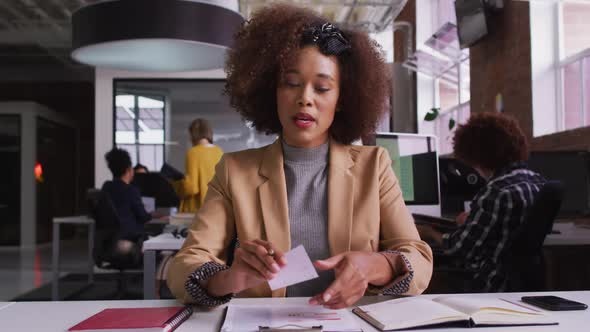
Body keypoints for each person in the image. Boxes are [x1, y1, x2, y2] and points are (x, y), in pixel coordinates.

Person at [167, 4, 433, 309]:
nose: (305, 98)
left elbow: (419, 260)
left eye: (322, 88)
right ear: (271, 90)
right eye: (291, 83)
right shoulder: (235, 170)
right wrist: (228, 278)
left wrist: (376, 266)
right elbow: (183, 266)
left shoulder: (374, 166)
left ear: (342, 99)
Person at [418, 112, 547, 292]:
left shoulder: (495, 192)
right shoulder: (538, 182)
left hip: (490, 284)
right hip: (525, 284)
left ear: (477, 156)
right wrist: (474, 221)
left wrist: (428, 232)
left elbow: (457, 249)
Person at [101, 148, 153, 258]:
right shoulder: (131, 190)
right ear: (129, 169)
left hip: (108, 242)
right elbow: (143, 217)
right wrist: (152, 214)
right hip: (128, 241)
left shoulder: (106, 187)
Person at [176, 118, 223, 213]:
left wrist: (177, 184)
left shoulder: (193, 152)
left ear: (193, 134)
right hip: (216, 208)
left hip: (197, 209)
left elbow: (192, 188)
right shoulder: (219, 152)